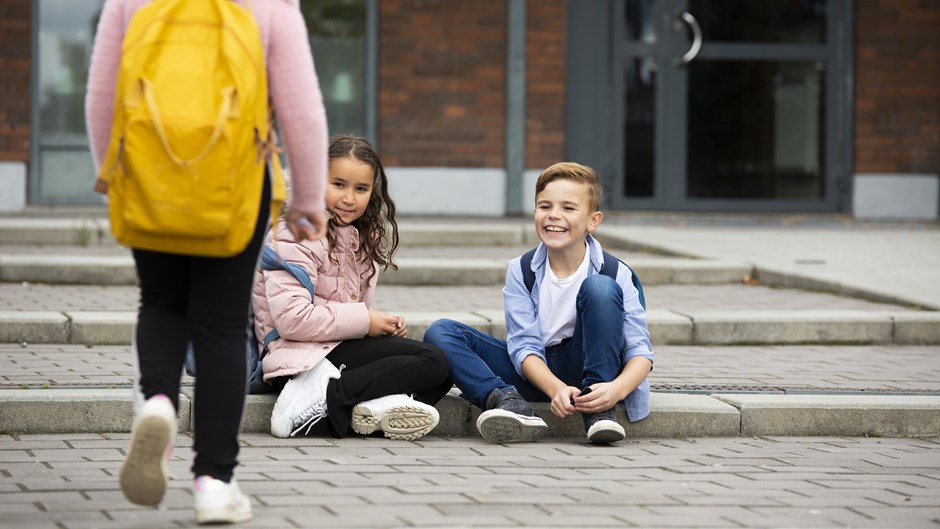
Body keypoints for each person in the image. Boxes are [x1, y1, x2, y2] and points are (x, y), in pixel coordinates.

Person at [85, 0, 329, 523]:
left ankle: (157, 401)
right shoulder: (270, 6)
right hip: (237, 183)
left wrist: (113, 174)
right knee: (221, 324)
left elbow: (103, 93)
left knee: (161, 302)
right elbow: (302, 110)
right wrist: (309, 198)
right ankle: (215, 483)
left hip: (150, 178)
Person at [423, 162, 654, 444]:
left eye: (568, 208)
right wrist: (556, 388)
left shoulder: (616, 272)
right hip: (535, 373)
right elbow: (524, 346)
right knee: (442, 332)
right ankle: (508, 402)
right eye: (545, 206)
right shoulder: (521, 269)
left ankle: (598, 411)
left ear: (593, 221)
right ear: (535, 212)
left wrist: (616, 390)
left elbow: (640, 351)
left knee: (600, 288)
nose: (554, 215)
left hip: (591, 370)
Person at [253, 135, 452, 441]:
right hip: (299, 358)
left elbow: (341, 310)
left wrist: (377, 325)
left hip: (330, 347)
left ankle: (359, 410)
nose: (349, 198)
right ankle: (331, 394)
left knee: (442, 374)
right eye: (339, 184)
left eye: (361, 189)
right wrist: (365, 321)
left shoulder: (357, 235)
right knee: (434, 362)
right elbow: (293, 320)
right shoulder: (296, 232)